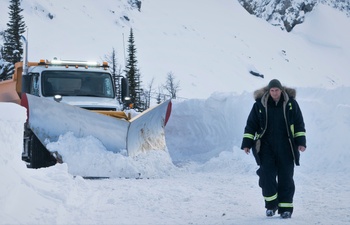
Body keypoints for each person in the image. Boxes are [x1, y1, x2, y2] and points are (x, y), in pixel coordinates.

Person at [241, 79, 306, 219]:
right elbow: (251, 125)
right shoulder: (259, 105)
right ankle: (271, 205)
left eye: (277, 90)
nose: (274, 93)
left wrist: (301, 142)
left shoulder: (291, 104)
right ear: (268, 91)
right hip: (266, 147)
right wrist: (247, 143)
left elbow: (299, 124)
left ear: (281, 90)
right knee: (266, 175)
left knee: (286, 177)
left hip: (286, 147)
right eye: (272, 90)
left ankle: (286, 208)